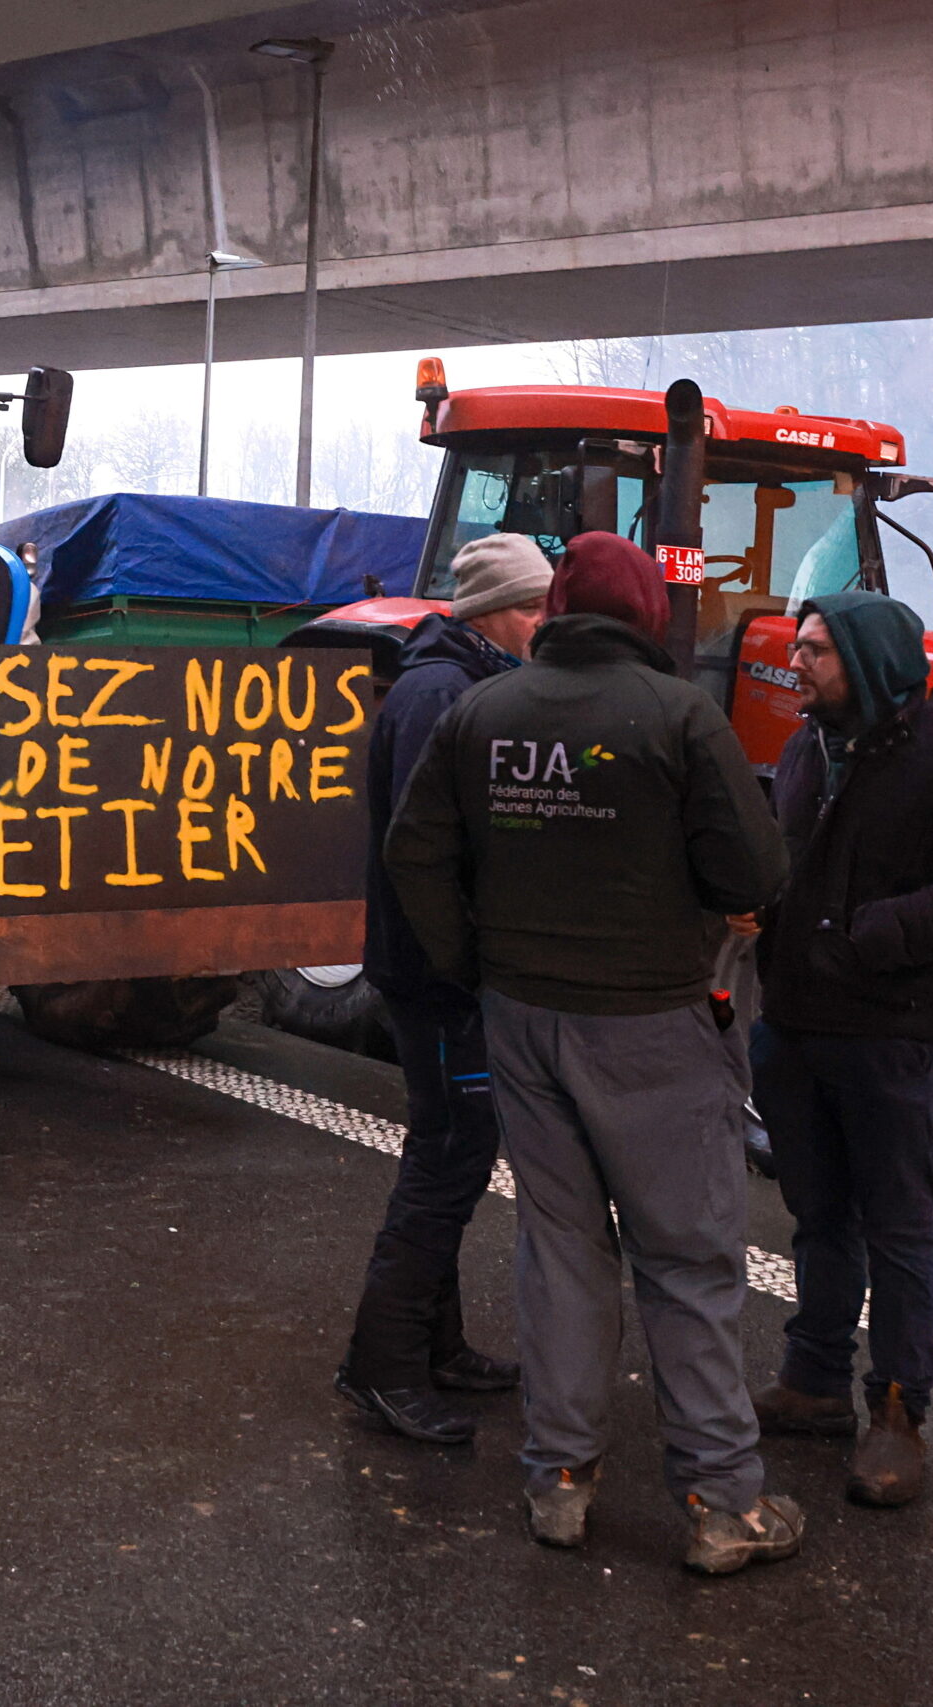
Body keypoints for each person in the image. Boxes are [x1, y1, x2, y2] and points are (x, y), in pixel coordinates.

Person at [384, 533, 800, 1576]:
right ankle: (718, 1504)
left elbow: (413, 849)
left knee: (559, 1253)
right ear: (646, 614)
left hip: (523, 1021)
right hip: (652, 1025)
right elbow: (754, 867)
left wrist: (473, 958)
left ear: (559, 606)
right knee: (686, 1261)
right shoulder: (677, 716)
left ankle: (559, 1482)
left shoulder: (484, 712)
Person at [748, 591, 933, 1507]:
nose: (797, 663)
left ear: (867, 660)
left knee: (899, 1226)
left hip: (894, 1033)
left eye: (817, 651)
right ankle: (815, 1378)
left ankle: (899, 1413)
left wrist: (874, 931)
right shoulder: (802, 750)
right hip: (794, 1025)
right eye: (799, 646)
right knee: (818, 1214)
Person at [334, 532, 554, 1444]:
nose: (547, 622)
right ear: (489, 611)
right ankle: (379, 1367)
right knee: (446, 1162)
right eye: (535, 606)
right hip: (435, 978)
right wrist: (467, 959)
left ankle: (438, 1343)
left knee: (453, 1155)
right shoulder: (438, 693)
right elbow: (434, 847)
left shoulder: (460, 682)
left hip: (443, 970)